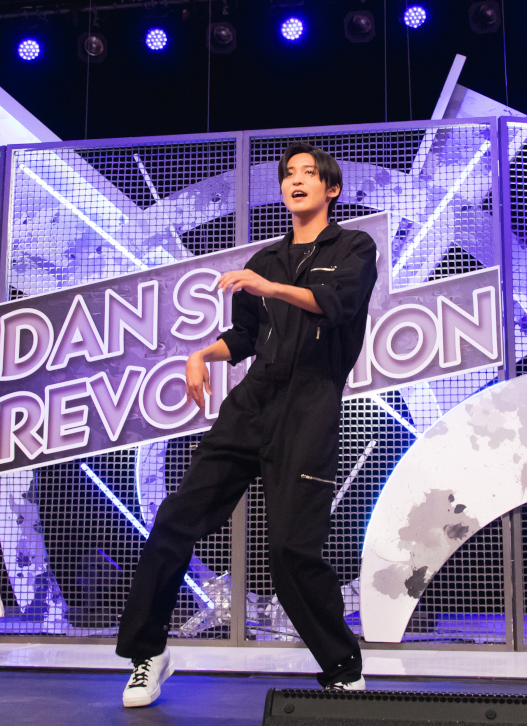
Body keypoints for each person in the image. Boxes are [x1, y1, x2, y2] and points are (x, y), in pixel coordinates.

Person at [115, 143, 378, 707]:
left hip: (309, 407)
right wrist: (202, 355)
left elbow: (335, 305)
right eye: (289, 174)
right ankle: (148, 653)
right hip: (252, 403)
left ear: (331, 189)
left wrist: (271, 289)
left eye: (309, 173)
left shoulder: (354, 247)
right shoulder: (266, 259)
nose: (296, 181)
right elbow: (248, 337)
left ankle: (342, 666)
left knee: (291, 549)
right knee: (175, 519)